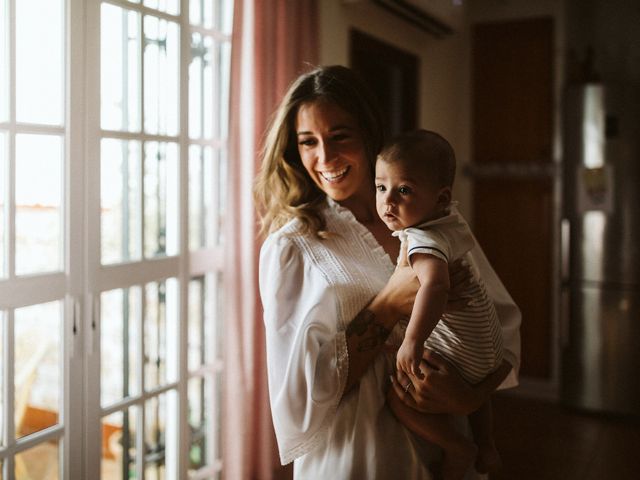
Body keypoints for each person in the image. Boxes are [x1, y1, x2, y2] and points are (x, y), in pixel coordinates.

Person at [254, 64, 521, 479]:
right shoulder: (293, 247)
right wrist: (389, 304)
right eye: (308, 142)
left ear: (369, 133)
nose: (325, 158)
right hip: (359, 457)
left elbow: (500, 324)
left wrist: (471, 397)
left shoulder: (434, 221)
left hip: (449, 447)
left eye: (340, 136)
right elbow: (299, 396)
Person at [375, 129, 507, 479]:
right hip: (489, 352)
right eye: (381, 187)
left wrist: (412, 341)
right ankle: (487, 443)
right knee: (478, 398)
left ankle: (456, 447)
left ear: (440, 196)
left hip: (462, 357)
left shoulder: (421, 238)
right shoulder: (451, 221)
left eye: (404, 190)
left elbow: (433, 287)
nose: (389, 202)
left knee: (397, 399)